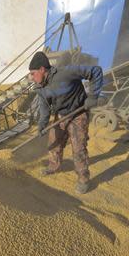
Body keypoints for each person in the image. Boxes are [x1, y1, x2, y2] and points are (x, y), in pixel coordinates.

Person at [28, 51, 103, 194]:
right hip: (61, 115)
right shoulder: (40, 88)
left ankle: (83, 179)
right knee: (53, 142)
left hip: (78, 114)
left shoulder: (66, 73)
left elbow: (96, 71)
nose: (32, 77)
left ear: (42, 69)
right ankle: (54, 166)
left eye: (33, 73)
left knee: (78, 148)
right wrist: (42, 124)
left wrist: (93, 96)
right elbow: (44, 107)